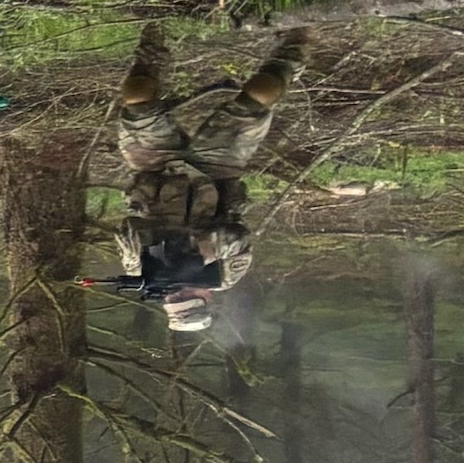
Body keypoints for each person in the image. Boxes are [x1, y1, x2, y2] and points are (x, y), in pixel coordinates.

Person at [87, 22, 309, 334]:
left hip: (155, 168)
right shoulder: (224, 276)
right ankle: (299, 38)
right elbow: (238, 238)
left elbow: (128, 228)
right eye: (188, 297)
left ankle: (156, 33)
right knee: (259, 95)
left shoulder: (143, 271)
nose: (181, 292)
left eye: (175, 298)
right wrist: (199, 252)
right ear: (206, 298)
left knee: (137, 98)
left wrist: (154, 257)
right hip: (216, 171)